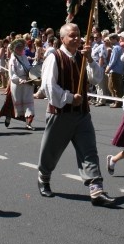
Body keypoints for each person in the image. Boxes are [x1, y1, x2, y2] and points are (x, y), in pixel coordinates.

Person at [36, 23, 115, 207]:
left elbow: (96, 78)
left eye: (78, 35)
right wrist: (70, 98)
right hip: (60, 113)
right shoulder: (53, 57)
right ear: (62, 38)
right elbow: (48, 86)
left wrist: (91, 60)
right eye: (72, 35)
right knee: (51, 151)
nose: (77, 38)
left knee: (89, 151)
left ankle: (96, 190)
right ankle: (43, 177)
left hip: (82, 114)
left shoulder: (83, 56)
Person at [0, 38, 36, 130]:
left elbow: (29, 68)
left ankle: (28, 124)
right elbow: (12, 74)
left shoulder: (25, 57)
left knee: (29, 103)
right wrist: (19, 80)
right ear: (14, 49)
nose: (21, 49)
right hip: (17, 84)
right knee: (11, 104)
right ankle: (8, 117)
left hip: (27, 83)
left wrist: (33, 74)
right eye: (18, 48)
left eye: (22, 48)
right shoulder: (12, 60)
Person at [105, 33, 124, 108]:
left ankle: (117, 102)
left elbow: (113, 60)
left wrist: (108, 68)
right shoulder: (118, 47)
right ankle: (118, 101)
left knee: (113, 86)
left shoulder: (116, 48)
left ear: (114, 39)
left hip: (115, 70)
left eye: (110, 39)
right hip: (118, 70)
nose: (109, 41)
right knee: (116, 86)